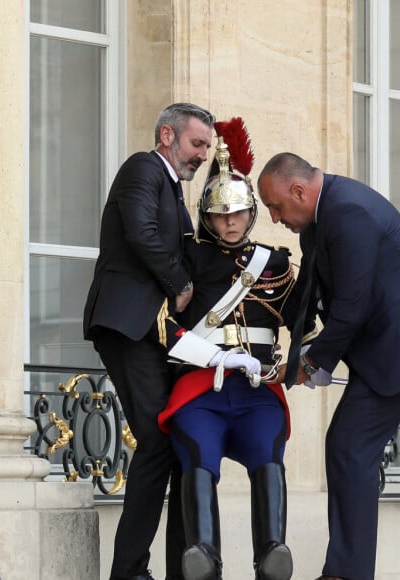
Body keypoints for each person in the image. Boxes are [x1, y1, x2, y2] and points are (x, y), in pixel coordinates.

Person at [257, 152, 400, 580]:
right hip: (383, 347)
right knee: (348, 447)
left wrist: (313, 362)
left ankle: (347, 573)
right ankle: (347, 570)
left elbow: (352, 309)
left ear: (299, 191)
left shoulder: (349, 213)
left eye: (277, 207)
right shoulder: (321, 217)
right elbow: (307, 292)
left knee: (349, 446)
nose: (275, 218)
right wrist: (270, 331)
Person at [156, 119, 316, 580]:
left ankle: (272, 552)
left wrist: (304, 358)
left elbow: (305, 322)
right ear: (207, 217)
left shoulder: (276, 263)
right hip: (199, 388)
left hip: (256, 390)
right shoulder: (188, 257)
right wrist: (218, 357)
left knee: (268, 453)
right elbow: (163, 325)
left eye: (238, 214)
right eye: (220, 215)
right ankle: (204, 554)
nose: (229, 223)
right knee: (199, 455)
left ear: (252, 214)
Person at [83, 102, 215, 580]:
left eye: (207, 146)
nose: (202, 154)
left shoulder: (175, 189)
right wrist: (179, 284)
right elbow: (141, 232)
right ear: (166, 136)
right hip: (128, 323)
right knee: (160, 436)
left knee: (178, 437)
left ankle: (185, 567)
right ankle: (130, 571)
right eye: (196, 143)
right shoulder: (143, 167)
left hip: (158, 334)